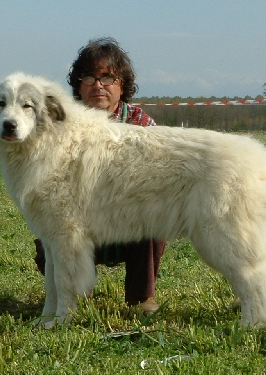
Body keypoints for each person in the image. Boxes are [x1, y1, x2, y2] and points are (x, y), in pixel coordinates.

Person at [34, 37, 166, 315]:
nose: (98, 85)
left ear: (122, 85)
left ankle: (141, 298)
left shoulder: (142, 123)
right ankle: (77, 296)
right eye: (89, 77)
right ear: (78, 85)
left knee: (155, 221)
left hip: (128, 224)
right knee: (51, 242)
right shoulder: (58, 123)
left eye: (108, 78)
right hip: (77, 221)